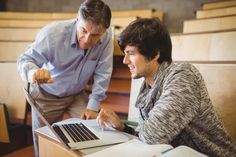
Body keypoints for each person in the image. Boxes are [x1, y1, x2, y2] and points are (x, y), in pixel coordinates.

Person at [96, 18, 236, 157]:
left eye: (131, 53)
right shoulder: (147, 88)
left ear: (155, 54)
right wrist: (122, 127)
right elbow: (148, 136)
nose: (125, 61)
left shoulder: (183, 76)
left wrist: (139, 132)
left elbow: (152, 137)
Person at [17, 0, 113, 156]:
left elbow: (104, 71)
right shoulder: (52, 34)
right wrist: (32, 73)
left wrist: (93, 104)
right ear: (77, 18)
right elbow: (25, 60)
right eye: (83, 30)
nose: (87, 39)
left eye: (95, 35)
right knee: (44, 142)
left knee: (94, 131)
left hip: (77, 95)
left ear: (104, 30)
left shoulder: (107, 37)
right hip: (47, 95)